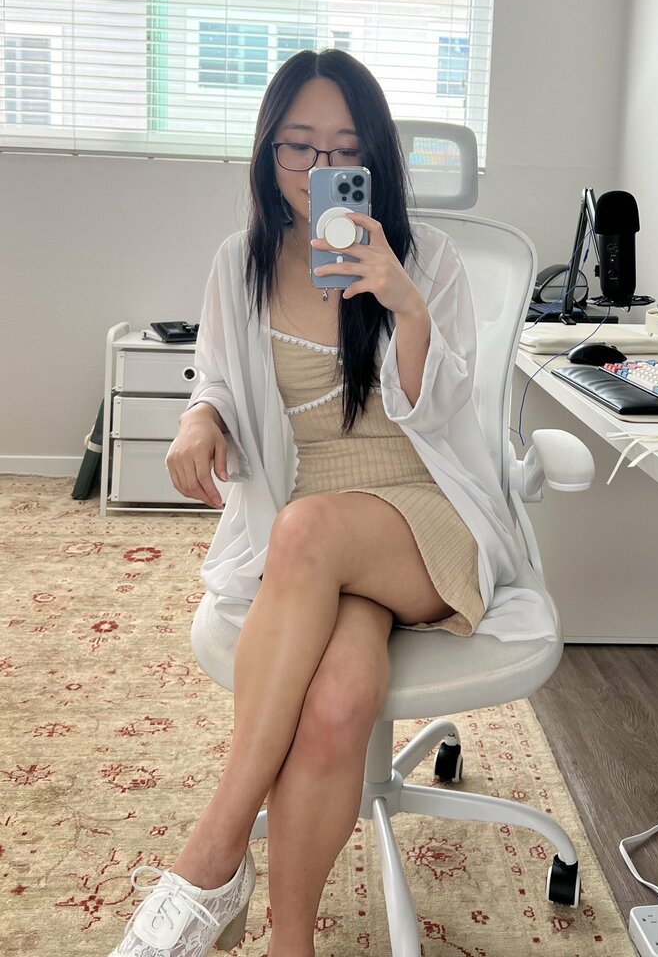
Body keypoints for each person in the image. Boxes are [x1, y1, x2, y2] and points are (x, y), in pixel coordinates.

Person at [107, 49, 556, 957]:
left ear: (374, 157)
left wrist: (405, 302)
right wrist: (198, 419)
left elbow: (444, 414)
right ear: (268, 152)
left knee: (308, 530)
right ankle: (291, 942)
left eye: (345, 149)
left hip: (423, 514)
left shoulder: (427, 260)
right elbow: (218, 382)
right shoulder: (238, 264)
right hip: (316, 537)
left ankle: (210, 858)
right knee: (342, 698)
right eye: (299, 147)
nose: (320, 167)